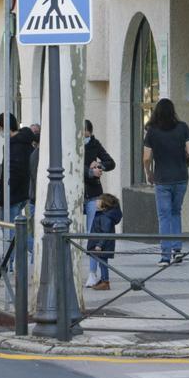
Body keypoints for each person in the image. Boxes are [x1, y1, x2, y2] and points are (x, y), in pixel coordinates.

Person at [142, 98, 189, 265]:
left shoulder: (152, 131)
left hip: (162, 179)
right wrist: (182, 156)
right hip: (181, 177)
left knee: (164, 216)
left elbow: (146, 157)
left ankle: (165, 256)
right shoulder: (183, 127)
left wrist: (148, 172)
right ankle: (177, 250)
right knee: (176, 212)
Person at [0, 113, 35, 262]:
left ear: (6, 127)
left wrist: (7, 187)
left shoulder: (15, 144)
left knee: (11, 229)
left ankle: (10, 262)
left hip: (13, 194)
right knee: (16, 228)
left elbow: (17, 169)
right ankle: (11, 261)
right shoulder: (24, 142)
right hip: (20, 192)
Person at [83, 119, 117, 286]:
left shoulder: (95, 144)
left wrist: (100, 165)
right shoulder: (69, 142)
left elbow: (111, 163)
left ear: (88, 132)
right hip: (73, 194)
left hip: (92, 195)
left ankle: (92, 273)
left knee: (93, 233)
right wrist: (90, 172)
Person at [86, 193, 122, 291]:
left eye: (98, 201)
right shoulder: (102, 214)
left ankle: (105, 282)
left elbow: (105, 232)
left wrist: (99, 245)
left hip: (103, 245)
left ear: (104, 204)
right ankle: (103, 280)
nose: (96, 202)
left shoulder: (106, 217)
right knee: (102, 263)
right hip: (102, 244)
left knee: (103, 263)